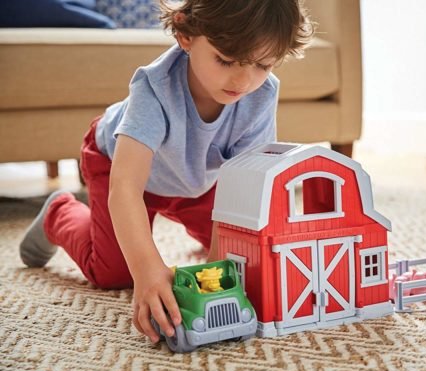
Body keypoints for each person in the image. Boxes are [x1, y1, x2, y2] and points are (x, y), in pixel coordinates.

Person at [18, 0, 314, 344]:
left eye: (263, 64)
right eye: (226, 60)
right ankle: (59, 213)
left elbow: (242, 188)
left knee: (237, 259)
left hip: (198, 178)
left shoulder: (261, 93)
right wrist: (147, 270)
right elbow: (125, 188)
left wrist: (214, 276)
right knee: (112, 272)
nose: (244, 80)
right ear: (185, 35)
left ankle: (188, 225)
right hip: (121, 168)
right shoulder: (154, 88)